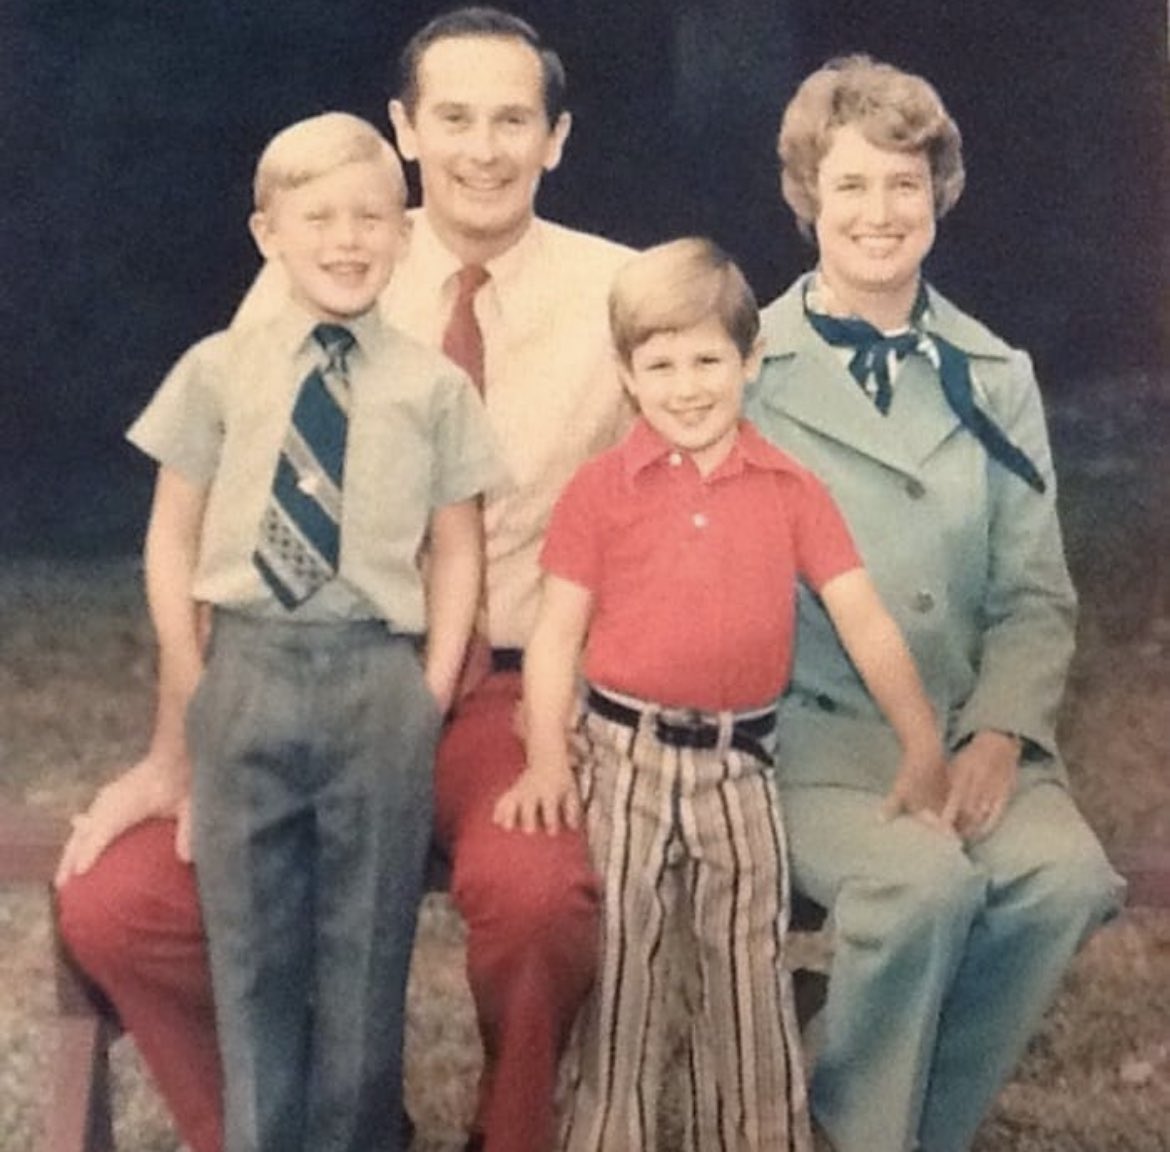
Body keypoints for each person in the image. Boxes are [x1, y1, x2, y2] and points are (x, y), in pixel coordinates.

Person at [55, 10, 633, 1152]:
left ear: (556, 139)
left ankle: (508, 1137)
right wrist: (177, 751)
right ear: (405, 127)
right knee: (117, 908)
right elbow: (215, 532)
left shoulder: (620, 295)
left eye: (512, 119)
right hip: (301, 687)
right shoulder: (313, 261)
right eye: (453, 117)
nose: (482, 147)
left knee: (539, 902)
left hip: (512, 694)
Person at [743, 55, 1126, 1152]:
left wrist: (1001, 734)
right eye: (852, 184)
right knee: (917, 890)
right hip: (812, 750)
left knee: (1062, 880)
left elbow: (1036, 593)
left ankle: (900, 1131)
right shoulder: (747, 369)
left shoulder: (994, 372)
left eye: (904, 185)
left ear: (939, 196)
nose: (879, 213)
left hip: (966, 735)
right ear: (809, 195)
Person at [110, 111, 497, 1152]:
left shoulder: (431, 388)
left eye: (372, 216)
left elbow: (459, 546)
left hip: (377, 682)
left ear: (404, 232)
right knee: (252, 952)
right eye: (317, 215)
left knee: (367, 956)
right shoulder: (215, 369)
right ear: (265, 231)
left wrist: (429, 683)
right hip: (246, 671)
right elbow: (170, 537)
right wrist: (193, 672)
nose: (346, 238)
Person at [512, 236, 948, 1152]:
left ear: (749, 360)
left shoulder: (791, 489)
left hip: (738, 766)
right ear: (627, 378)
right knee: (623, 969)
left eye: (708, 359)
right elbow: (555, 635)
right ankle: (606, 1135)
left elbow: (864, 618)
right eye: (659, 364)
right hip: (621, 758)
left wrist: (922, 743)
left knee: (745, 974)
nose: (687, 385)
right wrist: (550, 755)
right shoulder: (599, 492)